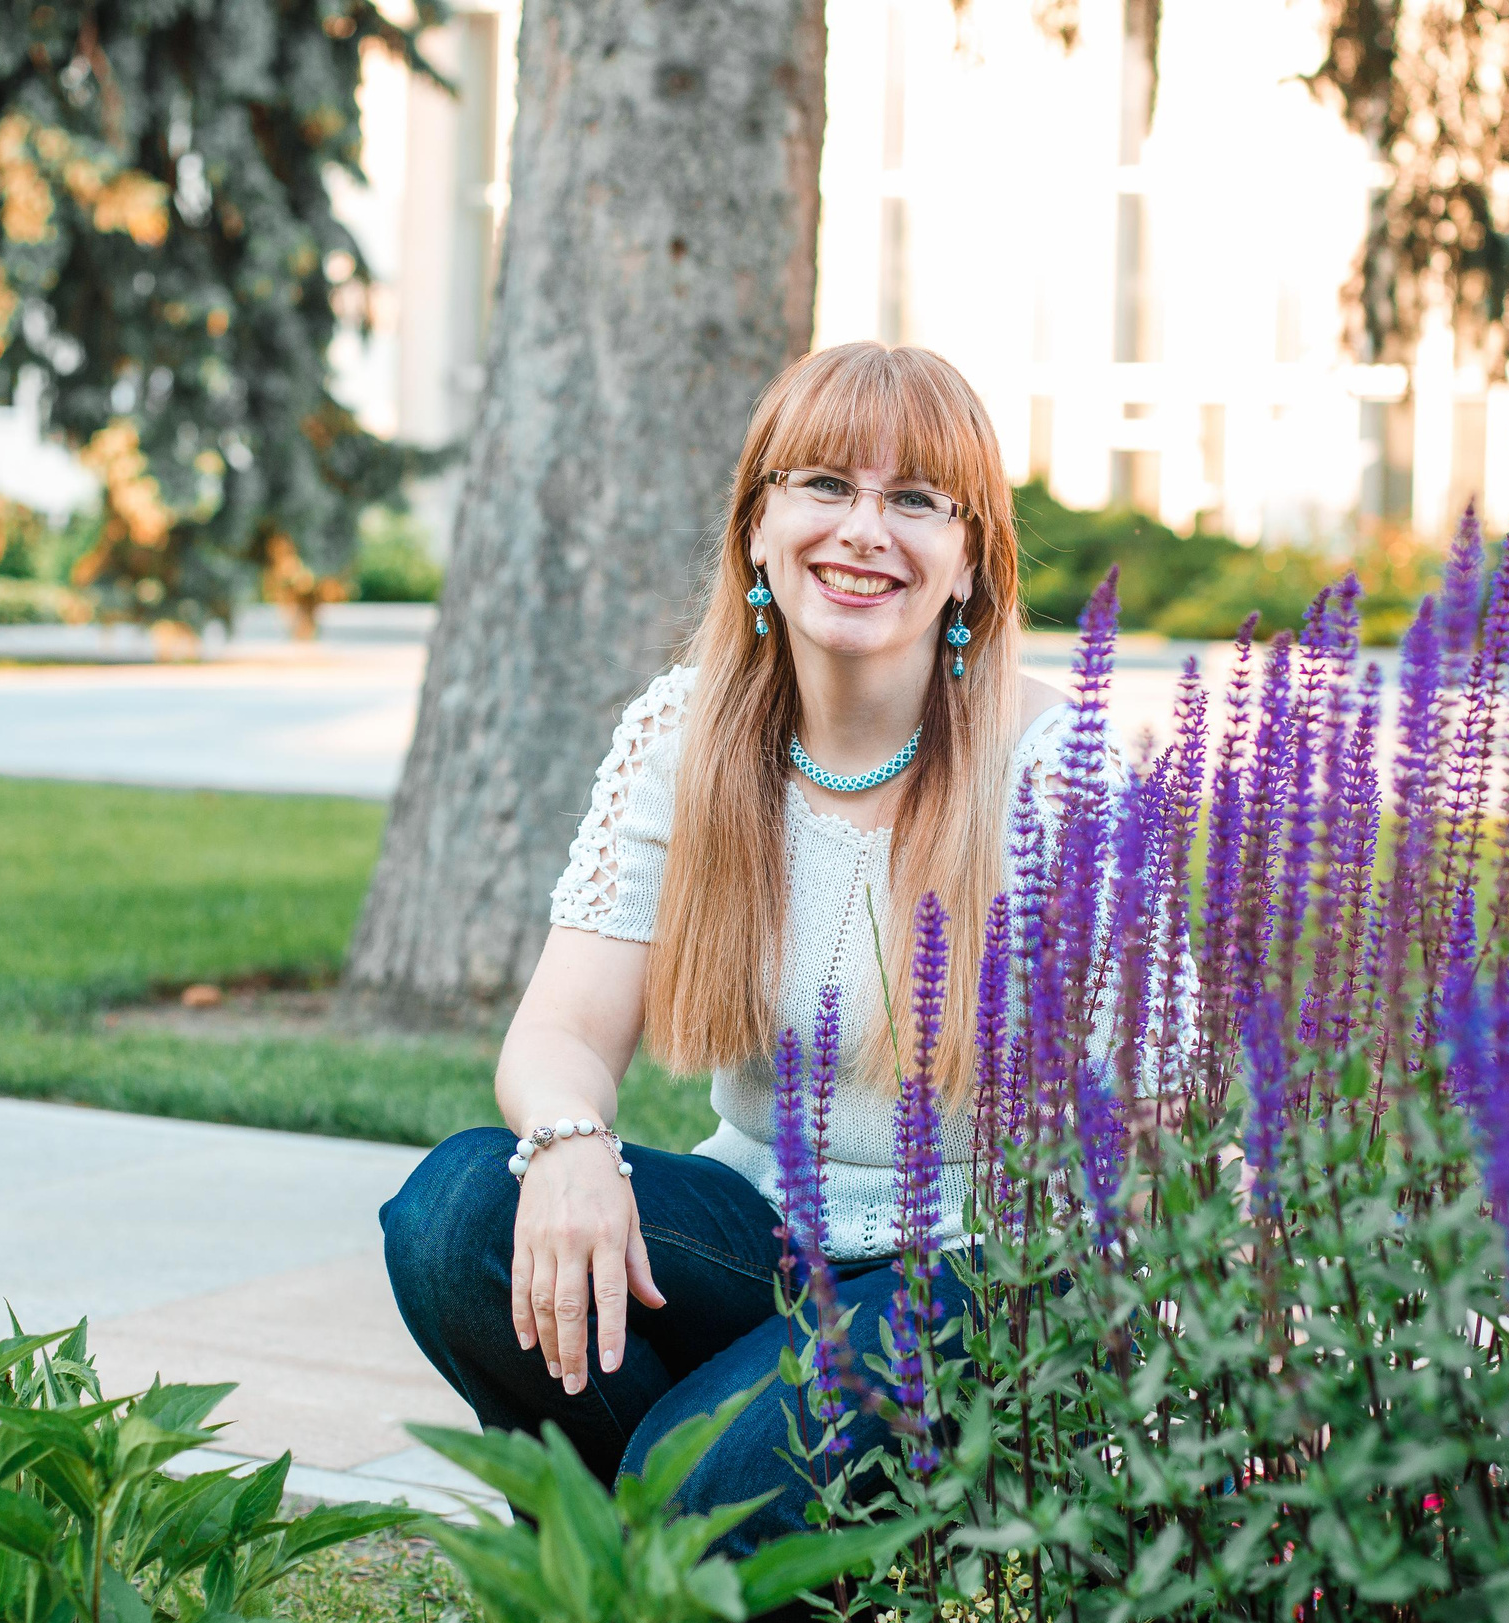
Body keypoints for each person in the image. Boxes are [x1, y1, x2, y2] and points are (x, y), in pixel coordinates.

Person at [380, 342, 1115, 1558]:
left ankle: (635, 1587)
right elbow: (559, 1034)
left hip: (973, 1274)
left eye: (916, 500)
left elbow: (1163, 1113)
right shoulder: (689, 728)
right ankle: (706, 1564)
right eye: (823, 484)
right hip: (756, 1233)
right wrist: (570, 1149)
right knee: (457, 1212)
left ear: (971, 561)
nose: (863, 530)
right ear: (759, 526)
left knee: (693, 1491)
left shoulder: (1054, 769)